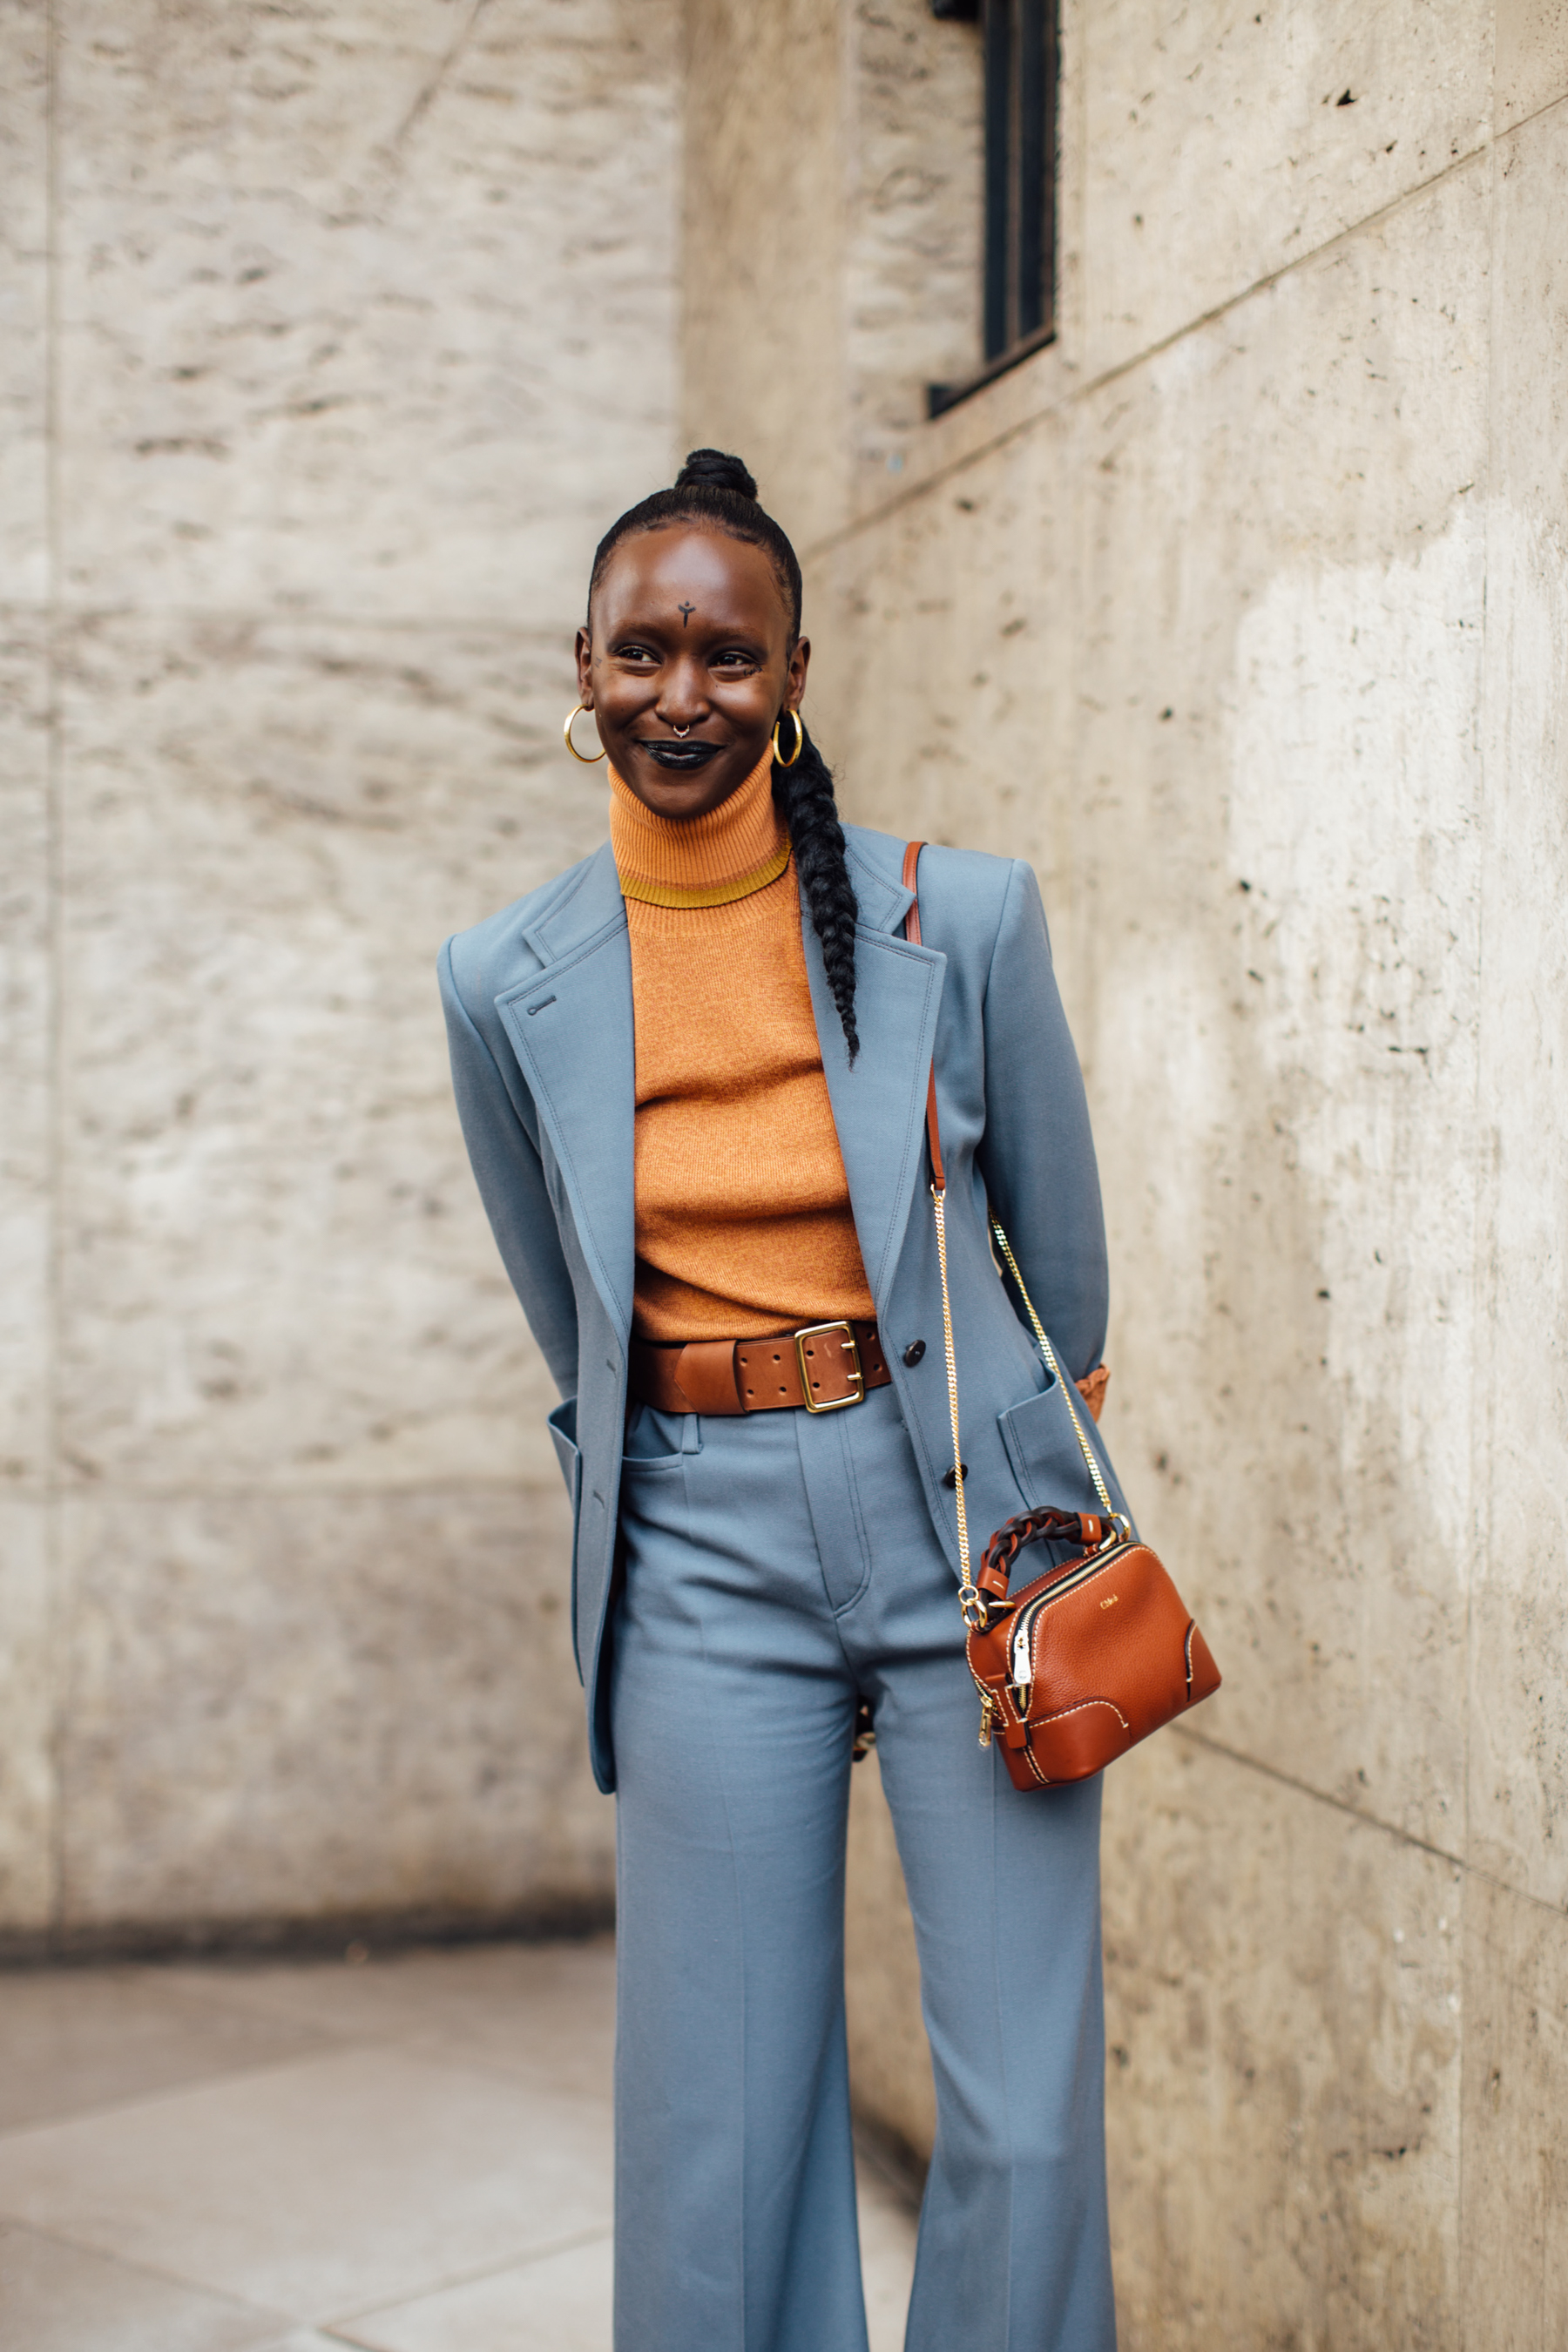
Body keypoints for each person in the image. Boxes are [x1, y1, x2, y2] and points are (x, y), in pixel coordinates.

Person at [440, 449, 1129, 2352]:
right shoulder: (501, 978)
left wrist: (998, 1475)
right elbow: (558, 1288)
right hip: (698, 1554)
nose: (683, 694)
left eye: (727, 657)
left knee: (1023, 2112)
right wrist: (667, 1477)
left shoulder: (962, 920)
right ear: (579, 668)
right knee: (713, 2127)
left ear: (795, 673)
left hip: (968, 1543)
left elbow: (1059, 1273)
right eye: (643, 652)